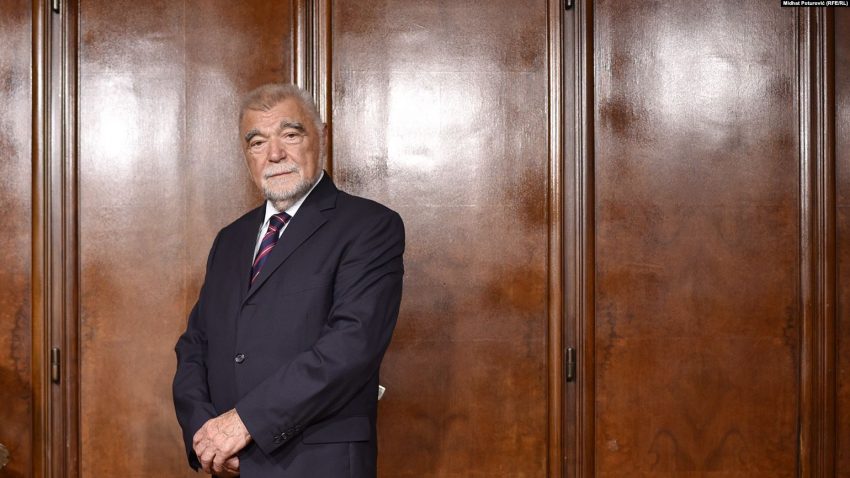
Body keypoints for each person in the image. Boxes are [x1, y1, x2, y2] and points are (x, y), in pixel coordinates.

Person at [172, 83, 405, 477]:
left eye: (291, 135)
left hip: (318, 464)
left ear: (322, 137)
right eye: (257, 142)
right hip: (229, 463)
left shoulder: (370, 227)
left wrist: (243, 423)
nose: (275, 154)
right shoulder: (230, 239)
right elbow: (195, 344)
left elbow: (351, 346)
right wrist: (204, 435)